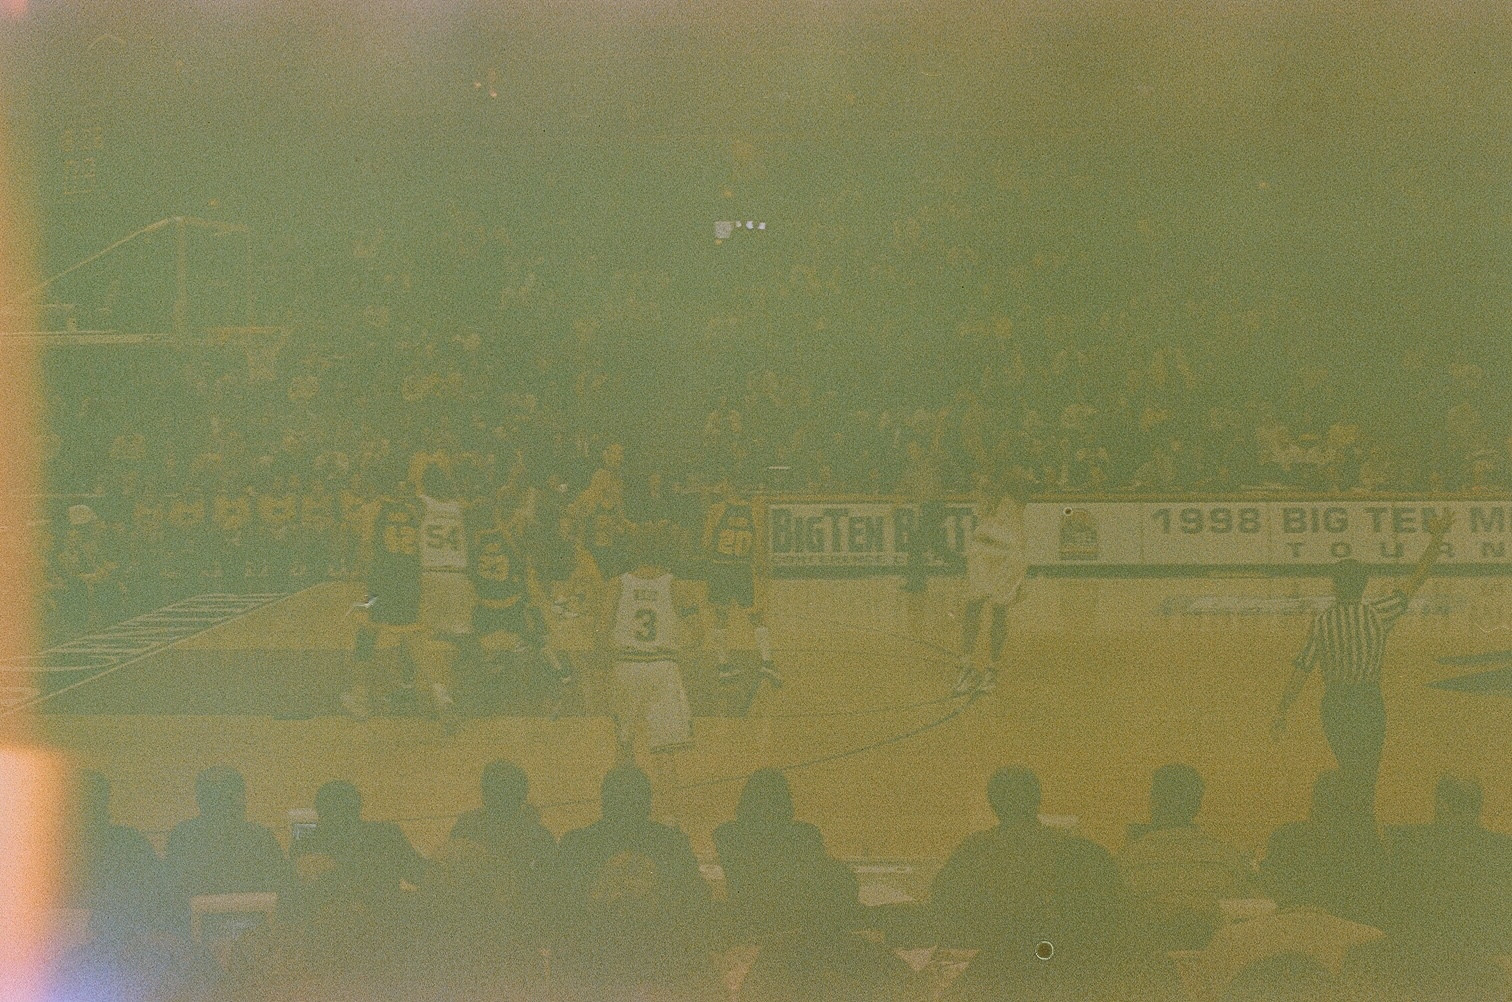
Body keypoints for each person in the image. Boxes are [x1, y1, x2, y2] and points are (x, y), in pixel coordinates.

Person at [1271, 513, 1453, 802]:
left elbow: (1302, 668)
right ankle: (1361, 827)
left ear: (1334, 586)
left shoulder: (1323, 621)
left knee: (1348, 772)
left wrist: (1282, 709)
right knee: (1366, 776)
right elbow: (1417, 578)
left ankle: (1345, 828)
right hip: (1368, 702)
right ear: (1364, 585)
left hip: (1335, 704)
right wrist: (1438, 538)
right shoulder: (1378, 613)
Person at [930, 767, 1124, 997]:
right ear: (1037, 798)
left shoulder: (975, 850)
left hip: (998, 968)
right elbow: (1109, 913)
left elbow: (942, 903)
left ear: (993, 803)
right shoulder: (1077, 851)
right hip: (1063, 968)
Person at [548, 765, 714, 999]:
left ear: (604, 801)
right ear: (647, 803)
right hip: (659, 970)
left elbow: (559, 911)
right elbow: (697, 907)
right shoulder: (671, 843)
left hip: (594, 972)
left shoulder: (577, 844)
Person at [1117, 764, 1260, 950]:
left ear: (1154, 801)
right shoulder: (1226, 858)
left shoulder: (1129, 859)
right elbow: (1245, 917)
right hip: (1211, 962)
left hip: (1149, 963)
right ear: (1197, 804)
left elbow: (1120, 920)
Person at [599, 530, 703, 778]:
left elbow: (601, 630)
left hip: (626, 666)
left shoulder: (617, 584)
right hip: (663, 667)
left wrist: (606, 665)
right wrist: (681, 654)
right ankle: (669, 812)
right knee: (666, 751)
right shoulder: (676, 586)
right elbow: (698, 632)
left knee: (624, 745)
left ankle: (621, 804)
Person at [340, 471, 436, 723]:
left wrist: (356, 575)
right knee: (412, 637)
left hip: (383, 581)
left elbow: (366, 546)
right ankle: (439, 694)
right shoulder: (412, 511)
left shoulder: (374, 509)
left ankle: (361, 696)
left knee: (366, 633)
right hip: (410, 580)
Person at [1383, 774, 1511, 958]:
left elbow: (1395, 904)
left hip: (1418, 947)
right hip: (1481, 950)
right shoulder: (1500, 849)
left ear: (1441, 805)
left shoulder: (1409, 842)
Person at [462, 495, 573, 708]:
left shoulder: (475, 542)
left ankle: (492, 673)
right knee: (538, 639)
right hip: (512, 605)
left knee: (474, 641)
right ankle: (561, 673)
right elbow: (526, 573)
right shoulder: (511, 540)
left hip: (487, 607)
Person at [162, 766, 290, 930]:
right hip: (258, 940)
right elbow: (284, 896)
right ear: (240, 799)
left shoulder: (182, 837)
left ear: (200, 800)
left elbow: (171, 902)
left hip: (196, 943)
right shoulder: (261, 837)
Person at [953, 472, 1030, 696]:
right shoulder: (986, 482)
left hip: (1008, 555)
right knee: (973, 606)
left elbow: (1020, 491)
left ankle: (992, 667)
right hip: (983, 551)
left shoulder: (1016, 487)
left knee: (999, 610)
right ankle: (966, 663)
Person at [63, 770, 161, 933]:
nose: (87, 804)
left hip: (127, 940)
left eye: (91, 798)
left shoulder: (133, 844)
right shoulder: (133, 843)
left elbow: (154, 901)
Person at [700, 479, 777, 686]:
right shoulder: (754, 512)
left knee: (720, 617)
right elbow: (759, 545)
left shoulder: (717, 510)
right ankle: (767, 662)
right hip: (742, 568)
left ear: (730, 488)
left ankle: (723, 665)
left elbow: (706, 542)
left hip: (720, 567)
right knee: (757, 616)